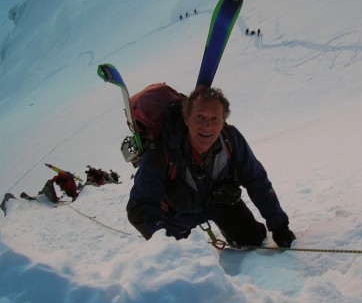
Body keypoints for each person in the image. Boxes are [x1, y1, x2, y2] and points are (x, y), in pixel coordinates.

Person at [127, 86, 296, 249]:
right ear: (186, 118)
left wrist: (280, 226)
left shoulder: (231, 140)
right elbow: (138, 207)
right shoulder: (161, 151)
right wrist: (168, 244)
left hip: (219, 204)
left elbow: (257, 181)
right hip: (176, 217)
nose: (207, 126)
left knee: (252, 240)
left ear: (223, 121)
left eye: (215, 118)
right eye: (200, 117)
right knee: (186, 258)